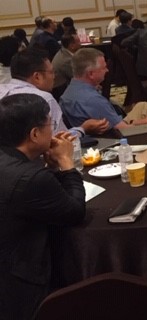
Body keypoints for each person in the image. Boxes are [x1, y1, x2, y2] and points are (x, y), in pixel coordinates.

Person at [0, 93, 86, 320]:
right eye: (50, 125)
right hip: (22, 287)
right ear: (34, 134)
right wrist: (66, 163)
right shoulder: (31, 177)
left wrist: (48, 164)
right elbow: (75, 212)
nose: (53, 131)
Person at [0, 49, 109, 137]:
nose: (54, 76)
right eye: (51, 72)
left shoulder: (2, 90)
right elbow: (59, 141)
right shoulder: (44, 99)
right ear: (37, 76)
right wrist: (83, 129)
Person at [60, 48, 147, 131]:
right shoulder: (94, 100)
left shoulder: (68, 92)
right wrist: (144, 124)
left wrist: (136, 122)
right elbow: (123, 131)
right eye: (103, 67)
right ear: (91, 74)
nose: (107, 70)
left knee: (143, 106)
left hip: (106, 130)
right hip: (116, 138)